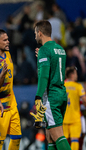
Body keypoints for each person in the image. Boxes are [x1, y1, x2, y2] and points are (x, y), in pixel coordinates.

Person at [31, 20, 71, 150]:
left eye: (35, 33)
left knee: (58, 135)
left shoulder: (44, 50)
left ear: (40, 33)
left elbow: (44, 75)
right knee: (50, 136)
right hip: (61, 94)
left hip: (51, 97)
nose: (35, 36)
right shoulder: (60, 49)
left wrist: (38, 97)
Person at [63, 66, 86, 150]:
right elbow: (84, 100)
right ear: (72, 75)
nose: (77, 75)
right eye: (76, 73)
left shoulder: (62, 86)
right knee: (75, 140)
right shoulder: (78, 86)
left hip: (64, 118)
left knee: (63, 140)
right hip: (75, 118)